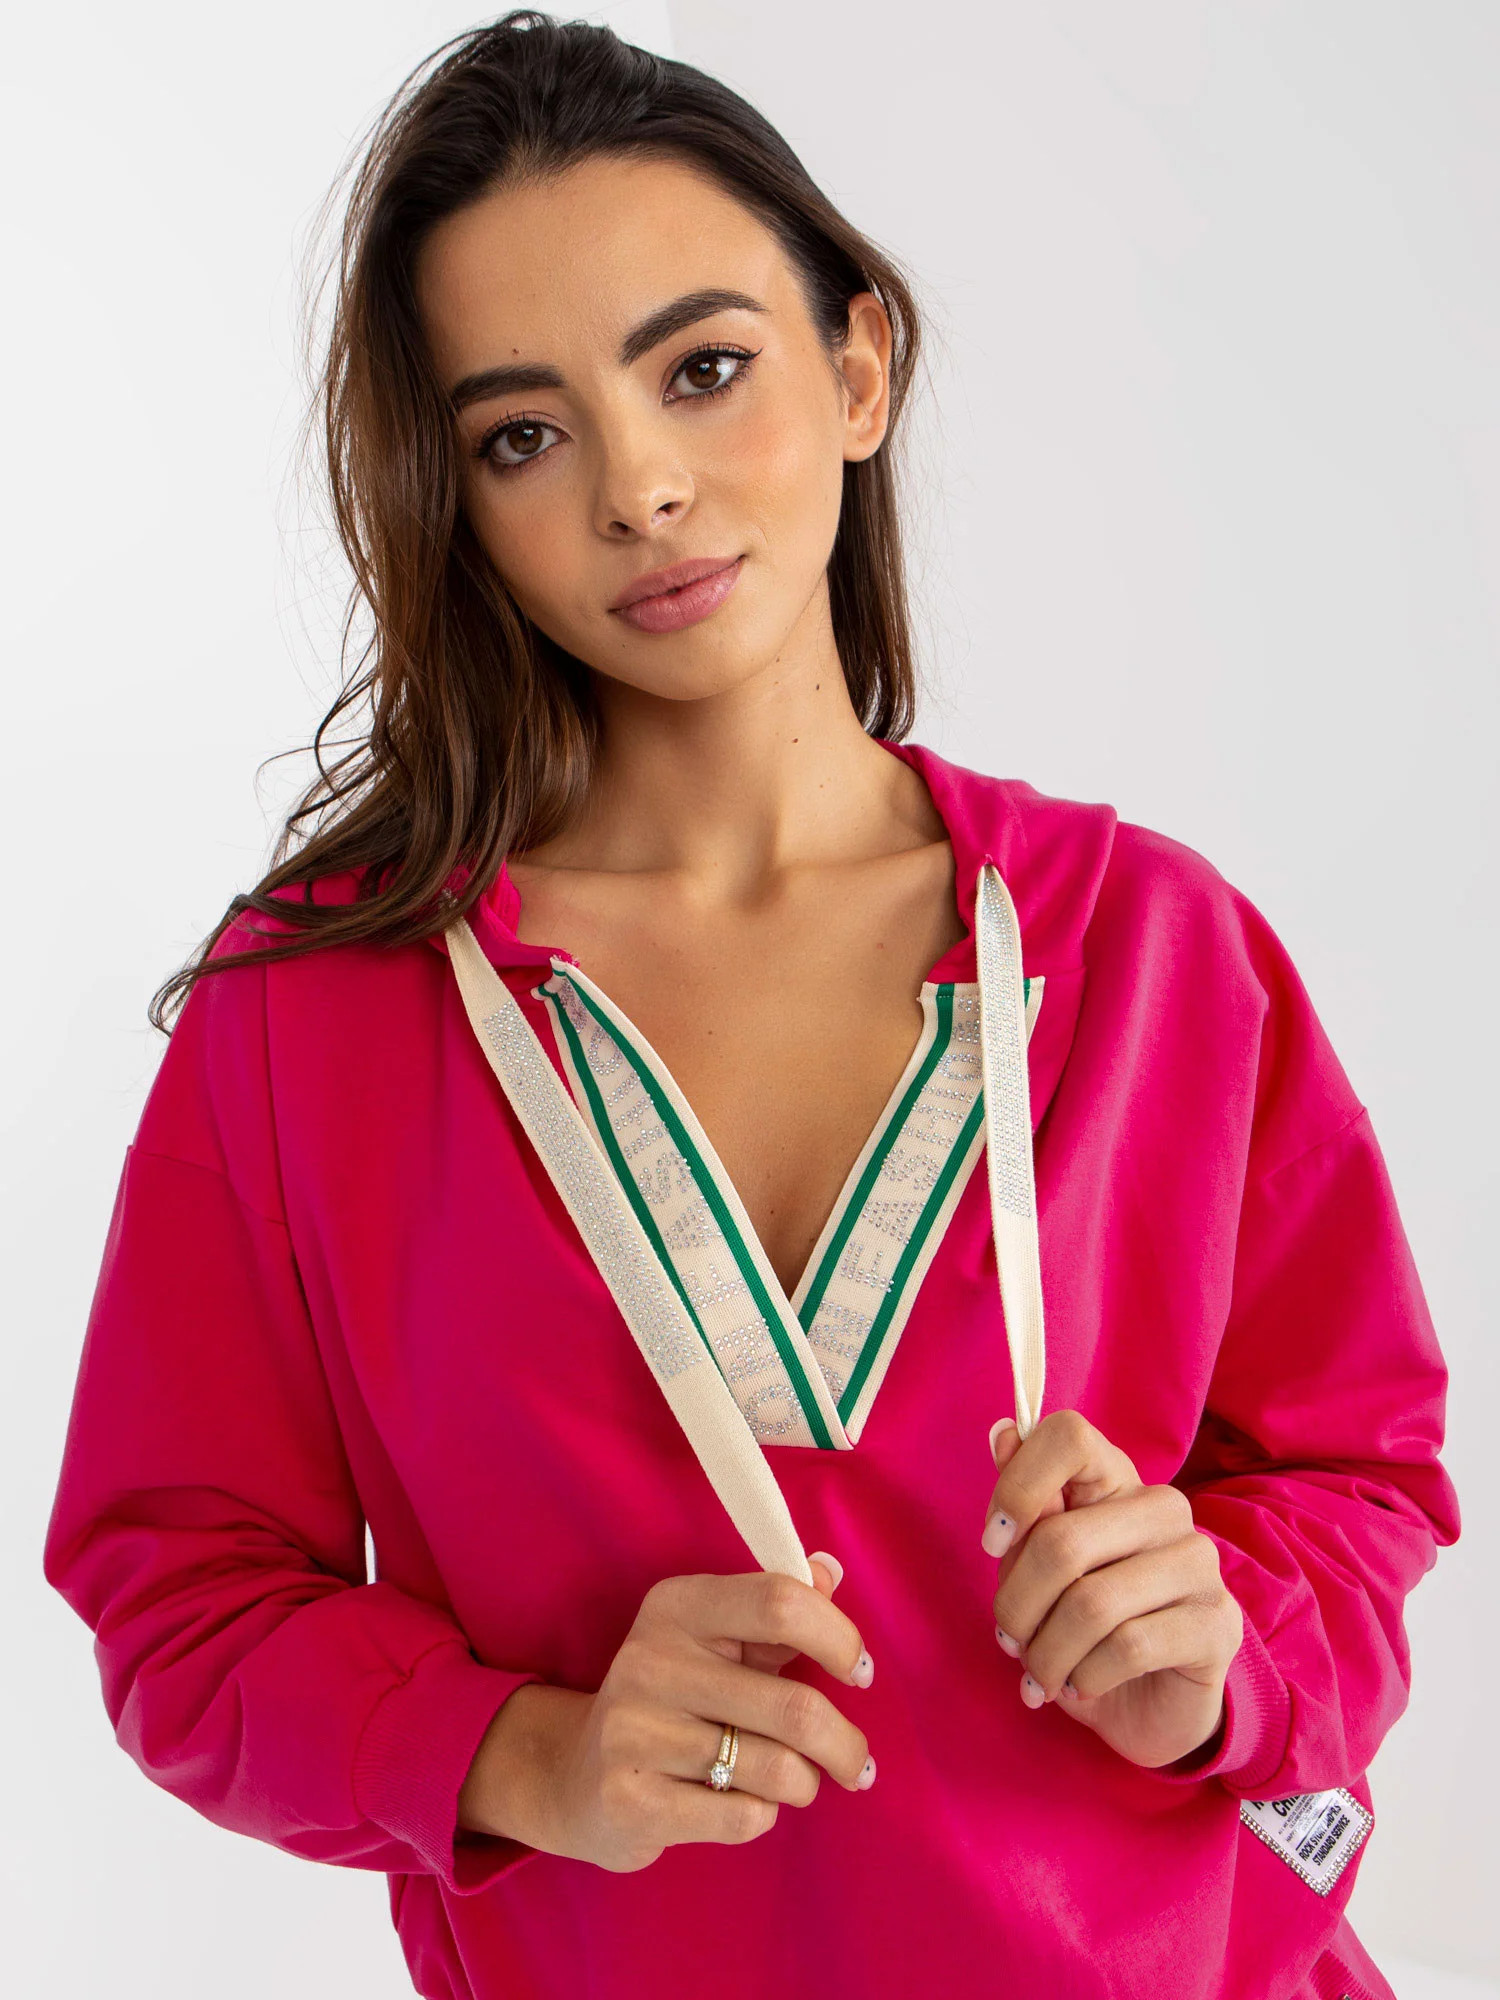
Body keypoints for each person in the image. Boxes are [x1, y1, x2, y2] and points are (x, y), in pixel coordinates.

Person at [43, 11, 1461, 1998]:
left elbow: (1360, 1484)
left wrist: (1225, 1645)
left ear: (859, 363)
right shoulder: (315, 1017)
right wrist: (528, 1752)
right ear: (455, 499)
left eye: (702, 370)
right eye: (522, 434)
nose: (640, 487)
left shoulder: (1156, 949)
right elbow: (179, 1601)